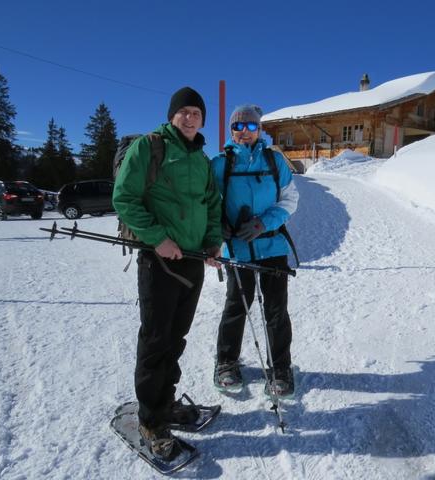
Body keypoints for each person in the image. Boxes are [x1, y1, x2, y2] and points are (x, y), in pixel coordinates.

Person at [112, 86, 222, 459]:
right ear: (172, 115)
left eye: (196, 113)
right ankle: (150, 419)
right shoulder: (151, 146)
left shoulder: (201, 160)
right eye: (184, 112)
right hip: (159, 260)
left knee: (177, 338)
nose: (190, 117)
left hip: (191, 260)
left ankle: (167, 402)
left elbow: (211, 203)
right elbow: (124, 198)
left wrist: (212, 241)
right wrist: (158, 239)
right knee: (157, 340)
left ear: (202, 119)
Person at [211, 104, 299, 397]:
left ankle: (281, 368)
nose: (245, 131)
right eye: (239, 126)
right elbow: (209, 202)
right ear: (231, 130)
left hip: (272, 245)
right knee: (237, 306)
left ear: (260, 130)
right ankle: (225, 363)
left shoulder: (275, 161)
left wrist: (263, 223)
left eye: (251, 126)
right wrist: (218, 224)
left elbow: (289, 200)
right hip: (238, 247)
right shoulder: (220, 164)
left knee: (276, 310)